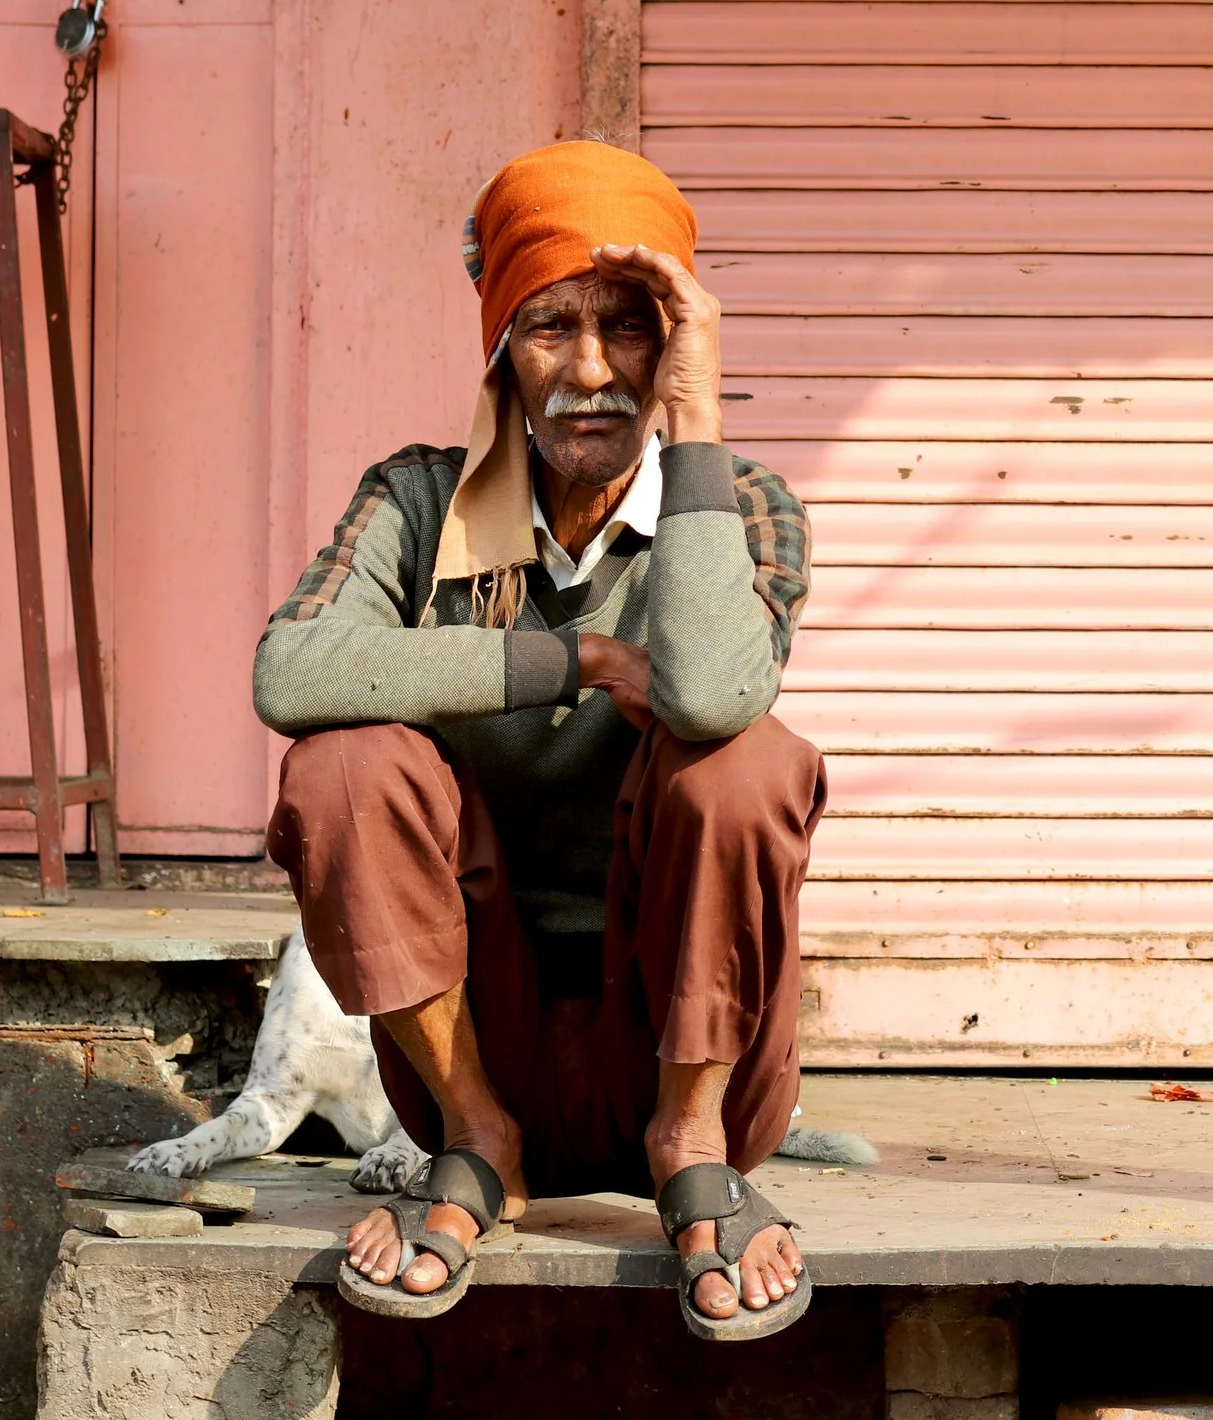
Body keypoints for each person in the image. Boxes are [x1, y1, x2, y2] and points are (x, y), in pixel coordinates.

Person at [255, 140, 825, 1341]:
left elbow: (718, 698)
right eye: (549, 327)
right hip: (477, 1041)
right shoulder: (417, 502)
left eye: (629, 328)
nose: (591, 372)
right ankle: (481, 1142)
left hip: (685, 1040)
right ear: (500, 351)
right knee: (343, 763)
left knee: (750, 761)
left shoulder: (744, 502)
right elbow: (289, 669)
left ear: (672, 343)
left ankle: (689, 1144)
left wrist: (702, 412)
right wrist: (567, 659)